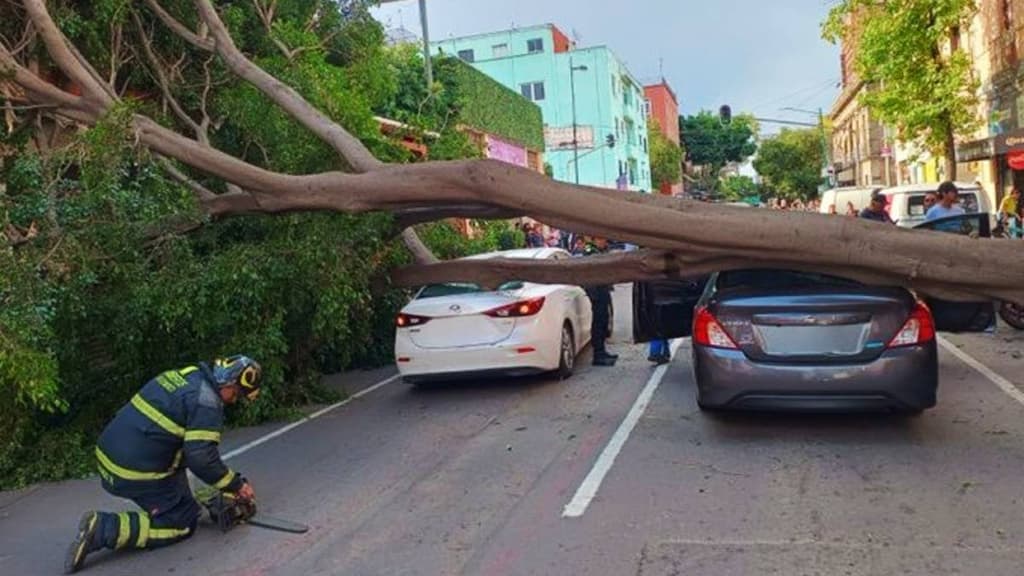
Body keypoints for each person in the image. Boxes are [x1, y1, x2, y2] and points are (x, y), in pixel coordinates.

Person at [64, 356, 263, 574]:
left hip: (108, 456)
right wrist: (236, 486)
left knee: (186, 494)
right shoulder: (207, 403)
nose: (234, 400)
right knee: (183, 522)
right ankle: (103, 529)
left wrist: (210, 487)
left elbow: (182, 446)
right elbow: (201, 458)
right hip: (130, 471)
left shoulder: (185, 375)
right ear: (230, 383)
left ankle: (180, 500)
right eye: (237, 394)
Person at [581, 238, 617, 366]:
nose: (605, 242)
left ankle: (602, 351)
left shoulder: (600, 250)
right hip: (596, 291)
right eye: (603, 239)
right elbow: (590, 271)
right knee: (598, 322)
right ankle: (598, 354)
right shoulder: (589, 251)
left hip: (603, 289)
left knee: (604, 321)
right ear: (595, 239)